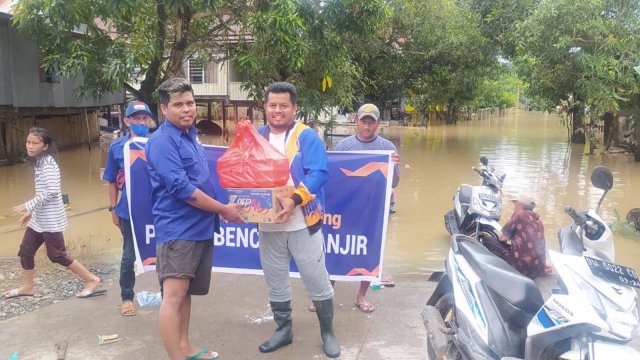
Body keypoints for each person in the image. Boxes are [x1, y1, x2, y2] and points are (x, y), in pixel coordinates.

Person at [145, 78, 244, 360]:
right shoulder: (162, 141)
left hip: (200, 226)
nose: (186, 109)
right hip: (178, 229)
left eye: (189, 103)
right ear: (164, 109)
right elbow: (182, 189)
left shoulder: (190, 135)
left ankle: (185, 347)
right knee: (173, 296)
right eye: (178, 105)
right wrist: (223, 209)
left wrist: (219, 208)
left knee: (185, 294)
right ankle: (175, 356)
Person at [256, 82, 340, 358]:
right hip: (268, 223)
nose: (277, 110)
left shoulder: (307, 137)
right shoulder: (256, 137)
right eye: (272, 105)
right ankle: (283, 330)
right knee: (275, 278)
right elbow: (244, 173)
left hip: (303, 221)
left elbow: (318, 173)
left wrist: (293, 200)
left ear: (294, 108)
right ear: (265, 107)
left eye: (283, 105)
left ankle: (327, 331)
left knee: (316, 277)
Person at [309, 103, 400, 314]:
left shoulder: (388, 148)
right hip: (346, 208)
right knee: (336, 248)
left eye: (371, 121)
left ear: (378, 123)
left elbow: (394, 184)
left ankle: (361, 296)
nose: (367, 126)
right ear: (356, 122)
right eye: (363, 121)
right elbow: (332, 178)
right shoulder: (343, 146)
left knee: (369, 252)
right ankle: (324, 295)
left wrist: (394, 166)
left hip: (373, 209)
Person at [3, 127, 104, 299]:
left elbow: (51, 191)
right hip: (39, 217)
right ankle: (28, 286)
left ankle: (92, 279)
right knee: (26, 251)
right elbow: (42, 192)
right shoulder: (39, 162)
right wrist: (31, 212)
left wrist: (26, 206)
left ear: (45, 146)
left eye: (35, 143)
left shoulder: (48, 164)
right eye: (28, 142)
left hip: (50, 219)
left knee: (57, 255)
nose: (30, 146)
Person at [102, 100, 154, 316]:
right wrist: (113, 208)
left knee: (163, 254)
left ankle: (169, 294)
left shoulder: (158, 143)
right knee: (128, 255)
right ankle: (126, 296)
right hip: (128, 211)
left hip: (156, 210)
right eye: (136, 118)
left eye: (144, 119)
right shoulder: (117, 147)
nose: (141, 122)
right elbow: (112, 180)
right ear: (127, 121)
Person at [494, 197, 547, 280]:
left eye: (516, 204)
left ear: (520, 205)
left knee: (491, 243)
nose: (514, 207)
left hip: (523, 268)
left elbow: (503, 238)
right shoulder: (538, 220)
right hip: (539, 268)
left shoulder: (519, 215)